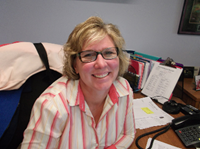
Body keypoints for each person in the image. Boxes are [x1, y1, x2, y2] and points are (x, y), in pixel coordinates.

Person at [21, 16, 136, 149]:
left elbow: (128, 134)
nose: (101, 64)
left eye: (109, 52)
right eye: (88, 55)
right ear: (75, 65)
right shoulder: (51, 106)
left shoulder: (124, 88)